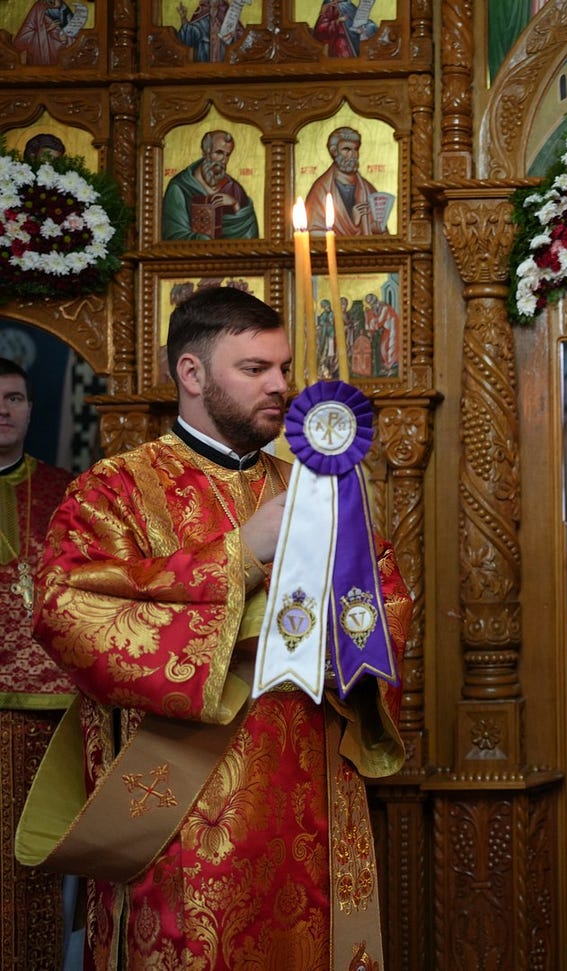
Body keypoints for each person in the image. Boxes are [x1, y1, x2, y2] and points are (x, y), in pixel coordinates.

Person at [27, 286, 410, 968]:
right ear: (193, 373)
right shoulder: (114, 490)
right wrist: (240, 554)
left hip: (311, 799)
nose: (280, 386)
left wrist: (346, 650)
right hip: (181, 814)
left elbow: (382, 599)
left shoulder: (313, 485)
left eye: (283, 368)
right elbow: (68, 610)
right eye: (255, 369)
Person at [0, 359, 76, 968]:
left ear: (30, 409)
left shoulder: (69, 492)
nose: (4, 410)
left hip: (53, 715)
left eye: (15, 398)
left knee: (41, 860)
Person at [160, 129, 260, 240]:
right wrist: (203, 241)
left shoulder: (233, 188)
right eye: (219, 153)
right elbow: (173, 234)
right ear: (205, 152)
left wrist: (235, 204)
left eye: (227, 155)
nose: (223, 160)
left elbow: (249, 234)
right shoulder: (180, 187)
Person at [305, 126, 391, 235]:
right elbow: (313, 232)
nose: (353, 155)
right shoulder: (321, 189)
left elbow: (382, 233)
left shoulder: (368, 189)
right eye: (347, 149)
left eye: (356, 149)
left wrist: (377, 230)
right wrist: (352, 221)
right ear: (334, 151)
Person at [14, 0, 74, 66]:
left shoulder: (64, 6)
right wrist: (47, 29)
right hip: (41, 51)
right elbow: (23, 36)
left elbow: (69, 30)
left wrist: (63, 37)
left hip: (58, 52)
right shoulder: (38, 7)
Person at [312, 0, 377, 57]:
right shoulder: (330, 6)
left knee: (371, 27)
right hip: (341, 42)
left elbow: (357, 19)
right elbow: (320, 29)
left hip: (355, 38)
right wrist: (337, 21)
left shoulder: (348, 4)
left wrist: (363, 27)